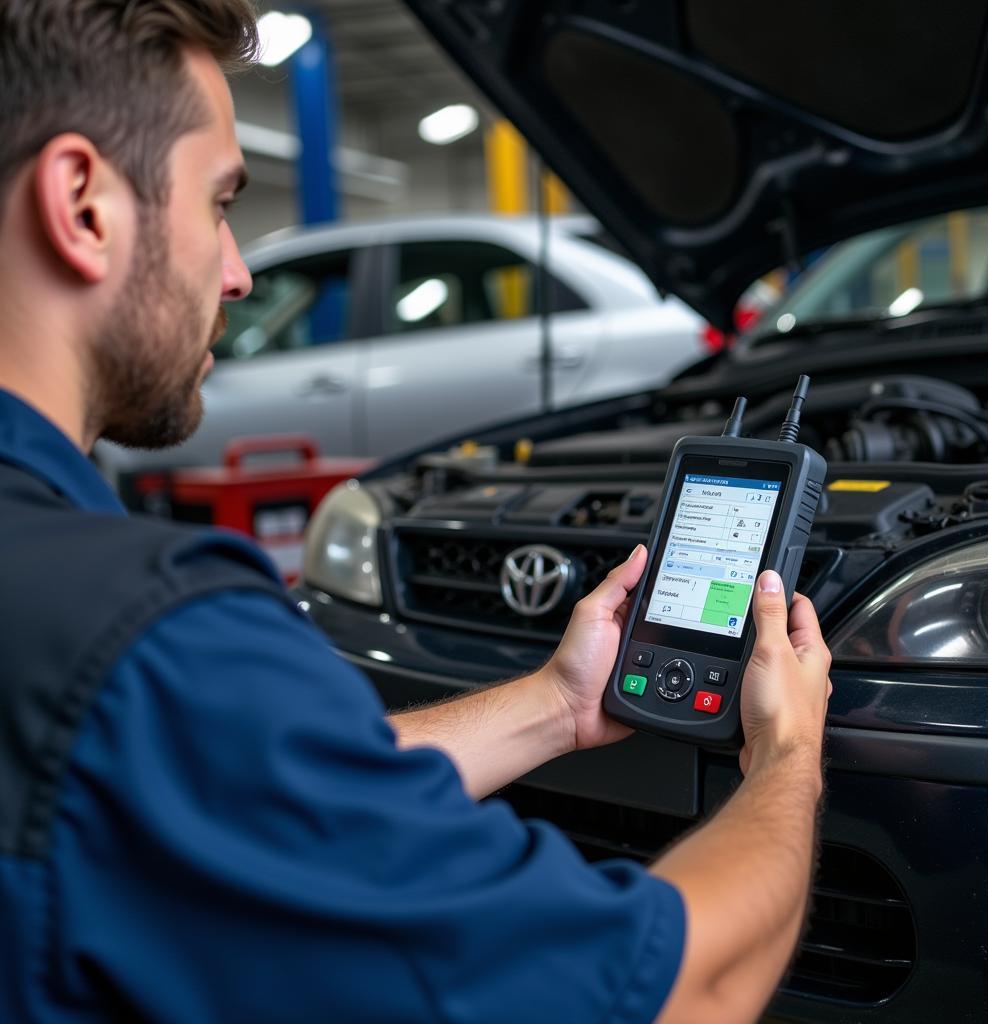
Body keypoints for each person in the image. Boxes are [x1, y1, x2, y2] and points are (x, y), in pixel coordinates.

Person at [0, 2, 832, 1021]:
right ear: (83, 203)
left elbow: (257, 795)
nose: (237, 272)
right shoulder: (150, 640)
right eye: (220, 204)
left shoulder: (85, 633)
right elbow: (679, 991)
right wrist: (789, 758)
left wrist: (553, 706)